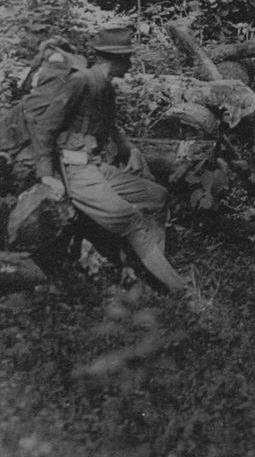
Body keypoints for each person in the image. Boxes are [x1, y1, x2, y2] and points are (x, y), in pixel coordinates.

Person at [29, 23, 189, 293]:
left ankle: (151, 269)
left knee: (157, 197)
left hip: (96, 168)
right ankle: (179, 289)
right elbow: (44, 127)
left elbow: (111, 127)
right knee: (131, 220)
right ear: (115, 59)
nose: (130, 62)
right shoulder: (80, 81)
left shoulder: (106, 88)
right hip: (75, 171)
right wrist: (46, 174)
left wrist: (131, 150)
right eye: (127, 56)